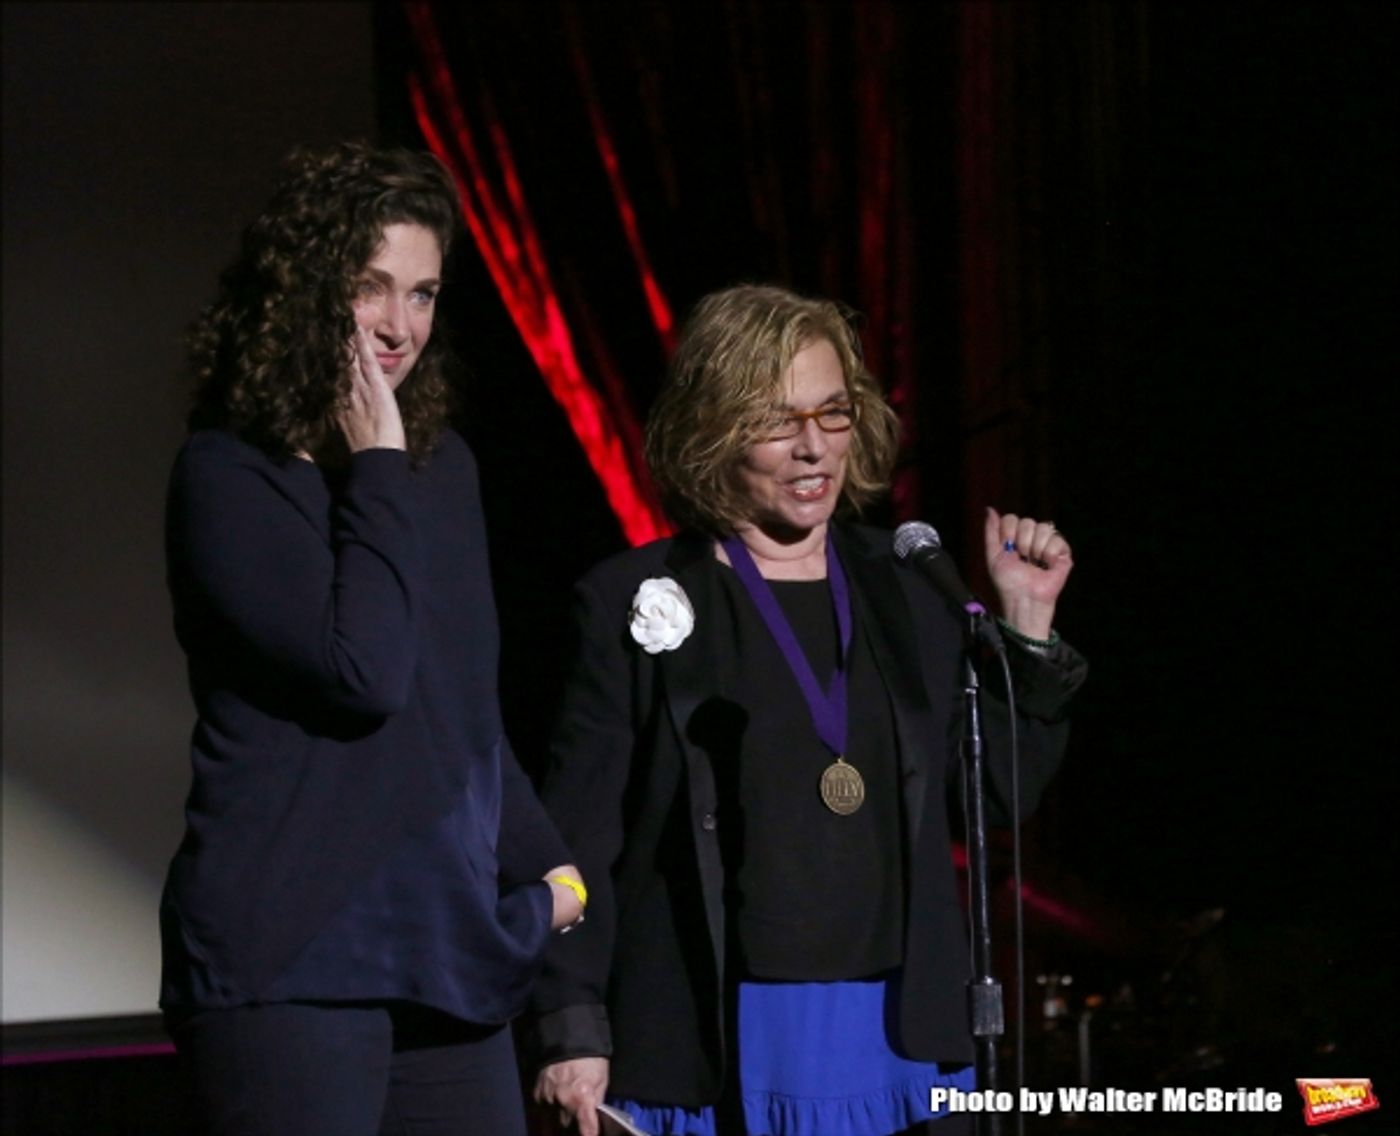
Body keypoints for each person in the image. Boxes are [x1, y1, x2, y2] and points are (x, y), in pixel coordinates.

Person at [526, 284, 1087, 1136]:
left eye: (832, 413)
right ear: (713, 432)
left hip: (897, 1032)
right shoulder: (632, 601)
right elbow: (579, 836)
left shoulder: (906, 587)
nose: (813, 448)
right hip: (716, 1034)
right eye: (778, 420)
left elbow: (993, 794)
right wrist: (570, 1027)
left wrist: (1029, 626)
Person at [159, 141, 587, 1136]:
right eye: (370, 287)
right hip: (291, 957)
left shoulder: (441, 473)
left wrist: (552, 871)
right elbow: (366, 673)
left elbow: (462, 713)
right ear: (306, 289)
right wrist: (378, 461)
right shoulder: (232, 474)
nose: (400, 324)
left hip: (443, 953)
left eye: (425, 293)